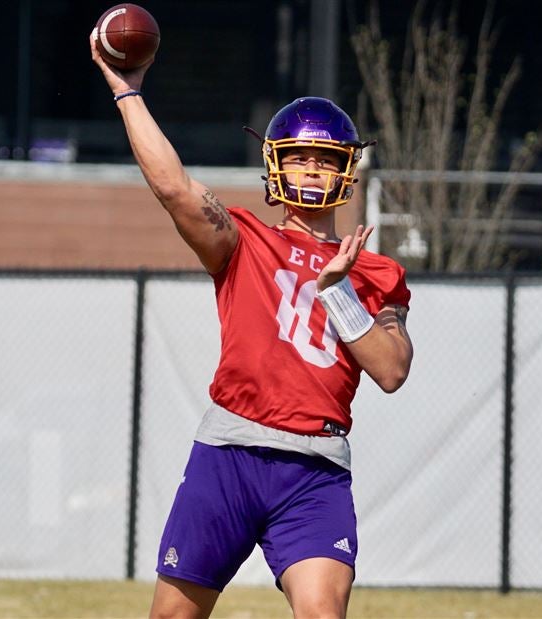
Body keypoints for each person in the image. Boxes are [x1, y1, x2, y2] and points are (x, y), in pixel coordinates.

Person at [90, 30, 414, 619]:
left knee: (322, 614)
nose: (311, 171)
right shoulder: (244, 239)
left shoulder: (377, 270)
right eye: (297, 157)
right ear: (273, 163)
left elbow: (391, 370)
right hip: (231, 453)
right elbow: (172, 187)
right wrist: (128, 93)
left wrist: (339, 293)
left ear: (347, 169)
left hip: (314, 467)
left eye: (324, 159)